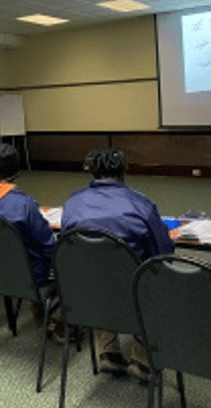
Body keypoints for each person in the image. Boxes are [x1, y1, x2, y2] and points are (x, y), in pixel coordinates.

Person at [61, 148, 174, 381]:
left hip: (87, 292)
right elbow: (163, 252)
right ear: (124, 171)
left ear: (92, 171)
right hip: (132, 294)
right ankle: (142, 361)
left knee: (98, 272)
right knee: (151, 278)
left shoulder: (72, 203)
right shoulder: (140, 205)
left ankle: (108, 351)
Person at [0, 143, 55, 288]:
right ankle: (37, 306)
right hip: (25, 275)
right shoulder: (25, 204)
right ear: (17, 172)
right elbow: (47, 243)